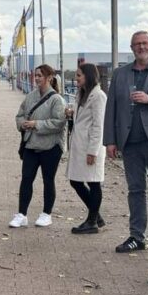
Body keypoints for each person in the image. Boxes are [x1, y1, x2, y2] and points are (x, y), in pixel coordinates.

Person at [103, 30, 148, 253]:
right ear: (132, 48)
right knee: (135, 191)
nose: (142, 47)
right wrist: (110, 140)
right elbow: (111, 107)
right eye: (137, 44)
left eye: (145, 43)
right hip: (130, 143)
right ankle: (136, 236)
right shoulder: (120, 74)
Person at [10, 64, 66, 228]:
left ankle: (46, 214)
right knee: (26, 179)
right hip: (31, 145)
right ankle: (22, 214)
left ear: (49, 78)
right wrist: (22, 124)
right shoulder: (30, 96)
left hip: (51, 147)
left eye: (40, 75)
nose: (36, 78)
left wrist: (36, 124)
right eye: (35, 75)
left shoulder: (57, 99)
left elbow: (59, 123)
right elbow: (20, 115)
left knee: (48, 180)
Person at [65, 63, 107, 234]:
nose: (76, 79)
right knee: (75, 180)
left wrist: (93, 151)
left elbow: (98, 125)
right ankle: (96, 216)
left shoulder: (98, 96)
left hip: (90, 146)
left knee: (93, 182)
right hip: (80, 145)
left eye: (79, 75)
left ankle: (92, 221)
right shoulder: (82, 94)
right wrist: (71, 114)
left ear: (88, 76)